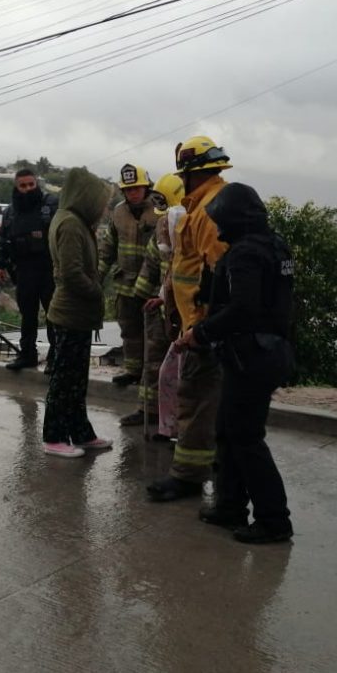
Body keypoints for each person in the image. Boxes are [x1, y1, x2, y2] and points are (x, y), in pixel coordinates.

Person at [176, 182, 295, 543]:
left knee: (245, 437)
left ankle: (274, 520)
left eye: (221, 220)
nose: (218, 227)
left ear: (235, 219)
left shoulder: (245, 254)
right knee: (228, 430)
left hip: (251, 357)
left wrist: (200, 333)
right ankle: (230, 505)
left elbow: (242, 309)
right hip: (264, 352)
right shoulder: (274, 246)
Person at [146, 137, 230, 502]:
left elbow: (217, 276)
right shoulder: (204, 207)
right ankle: (203, 468)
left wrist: (201, 327)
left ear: (193, 175)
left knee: (195, 398)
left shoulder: (209, 212)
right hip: (194, 321)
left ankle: (187, 477)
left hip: (202, 325)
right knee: (202, 397)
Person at [42, 167, 114, 459]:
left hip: (77, 315)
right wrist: (97, 291)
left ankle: (81, 433)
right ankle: (54, 437)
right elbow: (72, 273)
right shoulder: (70, 224)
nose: (102, 208)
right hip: (70, 314)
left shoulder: (76, 221)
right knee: (64, 380)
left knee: (76, 381)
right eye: (99, 201)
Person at [98, 163, 159, 422]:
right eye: (128, 189)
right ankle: (133, 371)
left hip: (151, 287)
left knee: (152, 337)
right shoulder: (118, 213)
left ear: (146, 187)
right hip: (124, 284)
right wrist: (96, 277)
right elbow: (108, 248)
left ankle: (147, 378)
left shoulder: (159, 211)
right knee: (129, 331)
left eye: (137, 188)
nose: (133, 193)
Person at [134, 173, 186, 440]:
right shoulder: (164, 226)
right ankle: (162, 423)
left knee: (181, 373)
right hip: (167, 308)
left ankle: (179, 430)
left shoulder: (193, 228)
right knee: (161, 367)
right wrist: (148, 296)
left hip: (191, 315)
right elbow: (156, 264)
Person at [0, 169, 59, 372]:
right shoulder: (10, 212)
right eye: (23, 186)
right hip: (23, 270)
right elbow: (3, 240)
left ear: (36, 183)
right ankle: (27, 355)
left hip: (49, 269)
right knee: (27, 316)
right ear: (16, 186)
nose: (28, 189)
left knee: (54, 316)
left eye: (31, 184)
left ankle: (54, 358)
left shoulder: (51, 206)